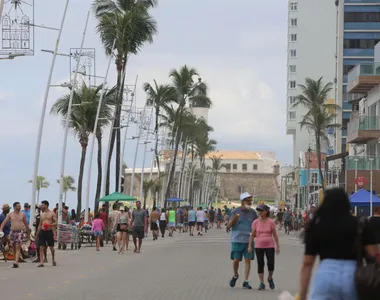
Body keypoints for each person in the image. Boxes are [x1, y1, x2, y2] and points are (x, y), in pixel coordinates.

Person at [299, 188, 377, 300]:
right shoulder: (360, 224)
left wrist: (302, 295)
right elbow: (373, 253)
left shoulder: (317, 226)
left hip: (325, 276)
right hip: (353, 276)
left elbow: (307, 263)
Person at [227, 192, 258, 289]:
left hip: (248, 240)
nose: (249, 203)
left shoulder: (253, 212)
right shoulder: (235, 211)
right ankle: (236, 275)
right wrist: (234, 219)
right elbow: (228, 226)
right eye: (247, 201)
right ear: (242, 202)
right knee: (236, 260)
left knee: (248, 261)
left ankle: (246, 281)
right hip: (237, 239)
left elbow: (257, 224)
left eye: (250, 201)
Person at [249, 204, 280, 290]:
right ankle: (261, 283)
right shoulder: (255, 222)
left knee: (271, 263)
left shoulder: (271, 222)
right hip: (258, 246)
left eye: (261, 211)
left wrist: (278, 246)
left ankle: (270, 278)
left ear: (266, 211)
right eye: (258, 211)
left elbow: (275, 235)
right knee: (260, 263)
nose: (260, 212)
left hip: (270, 245)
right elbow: (252, 235)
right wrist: (249, 246)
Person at [0, 202, 30, 268]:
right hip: (12, 232)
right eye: (18, 206)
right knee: (13, 247)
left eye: (20, 206)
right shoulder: (10, 215)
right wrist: (1, 229)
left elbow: (26, 224)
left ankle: (16, 262)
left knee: (18, 247)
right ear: (14, 207)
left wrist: (28, 233)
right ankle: (15, 260)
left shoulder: (22, 215)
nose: (19, 207)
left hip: (20, 232)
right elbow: (3, 223)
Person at [36, 200, 57, 267]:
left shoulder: (52, 213)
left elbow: (56, 222)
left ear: (46, 205)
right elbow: (40, 225)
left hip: (49, 231)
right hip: (42, 231)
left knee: (51, 247)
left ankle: (53, 259)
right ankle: (41, 262)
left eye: (42, 205)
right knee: (41, 247)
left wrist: (50, 225)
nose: (41, 206)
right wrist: (37, 234)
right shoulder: (42, 214)